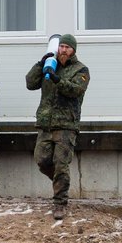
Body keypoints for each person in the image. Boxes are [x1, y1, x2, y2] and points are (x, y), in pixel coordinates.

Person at [25, 34, 90, 220]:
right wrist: (41, 64)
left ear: (73, 50)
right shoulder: (49, 65)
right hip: (46, 124)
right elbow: (30, 83)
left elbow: (75, 90)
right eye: (61, 46)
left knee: (61, 165)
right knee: (42, 160)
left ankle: (60, 204)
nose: (63, 50)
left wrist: (56, 79)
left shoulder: (81, 69)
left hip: (66, 125)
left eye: (67, 47)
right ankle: (61, 184)